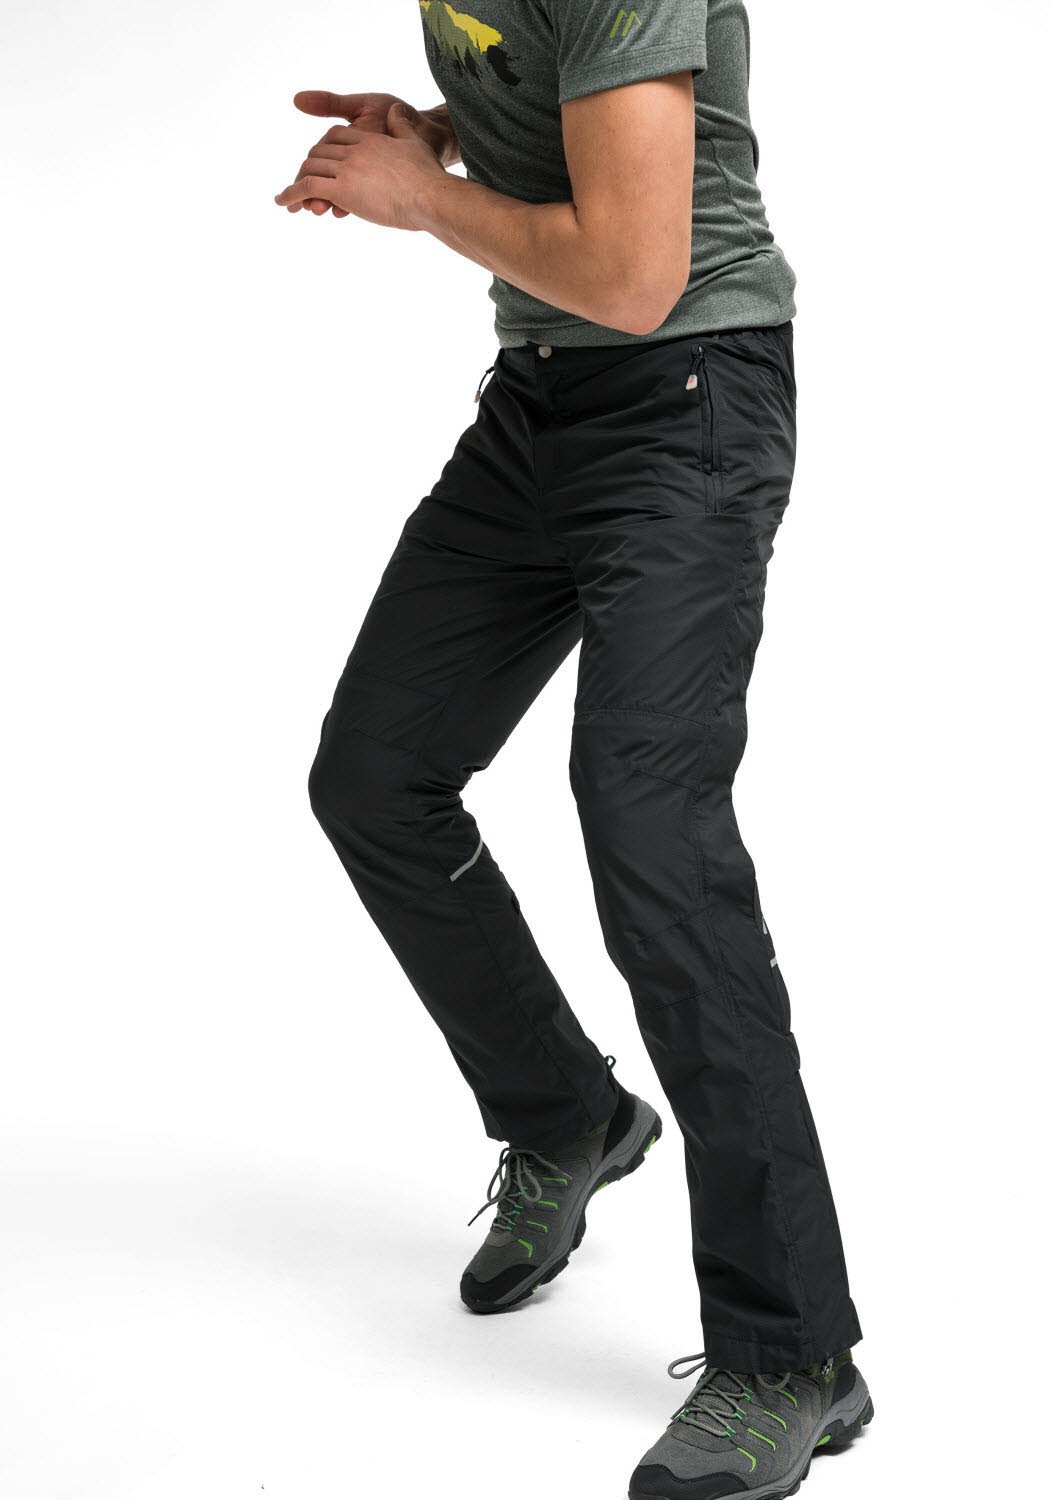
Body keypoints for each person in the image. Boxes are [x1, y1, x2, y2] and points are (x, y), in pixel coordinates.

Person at [276, 4, 869, 1496]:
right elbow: (585, 122)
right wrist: (447, 133)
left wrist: (421, 198)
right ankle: (569, 1115)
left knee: (652, 832)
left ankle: (790, 1355)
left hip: (687, 399)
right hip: (541, 403)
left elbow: (632, 272)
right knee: (375, 780)